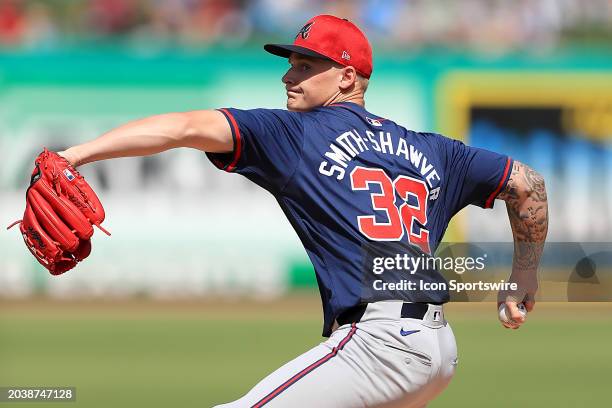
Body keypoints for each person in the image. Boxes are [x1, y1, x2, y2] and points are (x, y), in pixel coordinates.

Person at [56, 14, 548, 408]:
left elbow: (183, 126)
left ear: (347, 76)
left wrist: (75, 155)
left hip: (380, 346)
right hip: (437, 350)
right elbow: (528, 184)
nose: (289, 75)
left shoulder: (298, 135)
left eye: (307, 65)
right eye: (291, 62)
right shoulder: (434, 150)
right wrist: (524, 277)